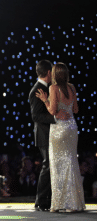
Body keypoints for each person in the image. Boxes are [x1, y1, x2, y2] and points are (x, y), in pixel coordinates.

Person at [36, 63, 85, 213]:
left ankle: (60, 203)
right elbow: (76, 109)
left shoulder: (53, 88)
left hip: (59, 129)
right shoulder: (72, 88)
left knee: (58, 166)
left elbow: (52, 111)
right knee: (71, 162)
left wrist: (45, 100)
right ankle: (74, 203)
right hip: (72, 127)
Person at [29, 59, 55, 211]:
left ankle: (47, 199)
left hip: (50, 133)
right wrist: (55, 118)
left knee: (50, 165)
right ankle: (40, 200)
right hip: (43, 134)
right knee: (47, 165)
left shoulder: (48, 87)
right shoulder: (37, 90)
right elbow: (36, 116)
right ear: (49, 72)